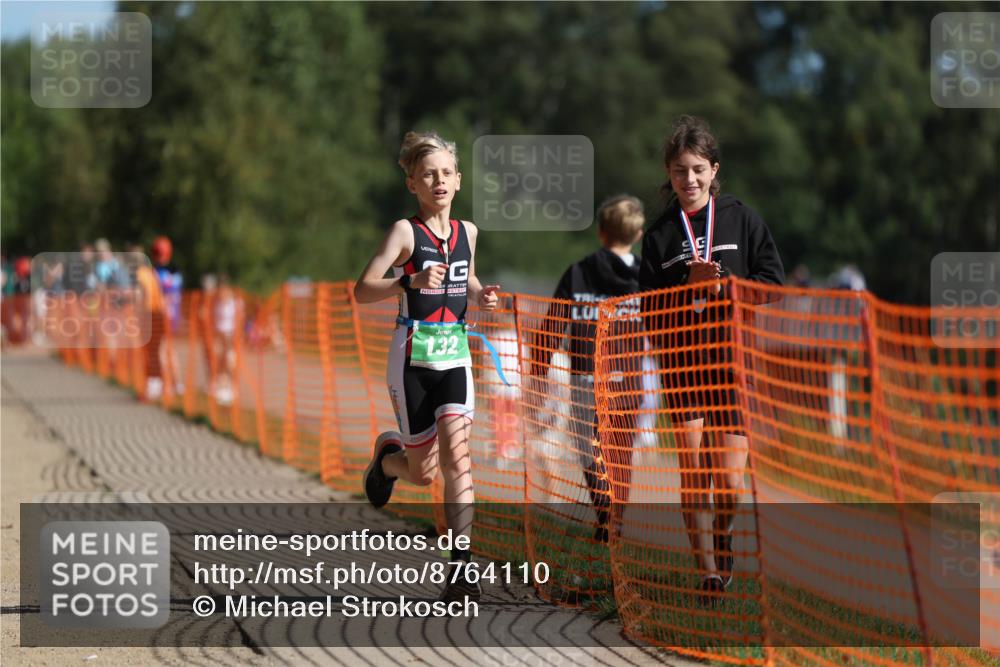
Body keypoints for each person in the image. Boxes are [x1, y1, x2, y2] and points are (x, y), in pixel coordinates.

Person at [639, 116, 784, 605]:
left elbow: (773, 288)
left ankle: (721, 540)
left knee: (728, 479)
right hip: (682, 365)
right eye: (680, 171)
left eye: (698, 169)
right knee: (693, 472)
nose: (690, 180)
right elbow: (646, 307)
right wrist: (684, 288)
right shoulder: (659, 235)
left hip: (732, 363)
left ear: (714, 169)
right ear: (669, 172)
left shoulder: (742, 220)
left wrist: (725, 286)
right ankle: (707, 574)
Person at [354, 131, 499, 602]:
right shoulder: (404, 232)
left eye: (445, 173)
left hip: (454, 356)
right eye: (427, 175)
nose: (438, 181)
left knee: (459, 458)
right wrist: (407, 281)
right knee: (423, 473)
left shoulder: (468, 232)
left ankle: (461, 567)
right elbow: (362, 289)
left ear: (458, 180)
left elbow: (468, 275)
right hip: (412, 358)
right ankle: (387, 462)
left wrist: (481, 294)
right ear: (413, 184)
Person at [529, 195, 645, 544]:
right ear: (638, 235)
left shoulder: (578, 272)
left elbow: (552, 326)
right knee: (620, 453)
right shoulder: (646, 277)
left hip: (585, 379)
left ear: (601, 232)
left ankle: (605, 515)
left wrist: (538, 368)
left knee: (589, 450)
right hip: (630, 381)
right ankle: (615, 519)